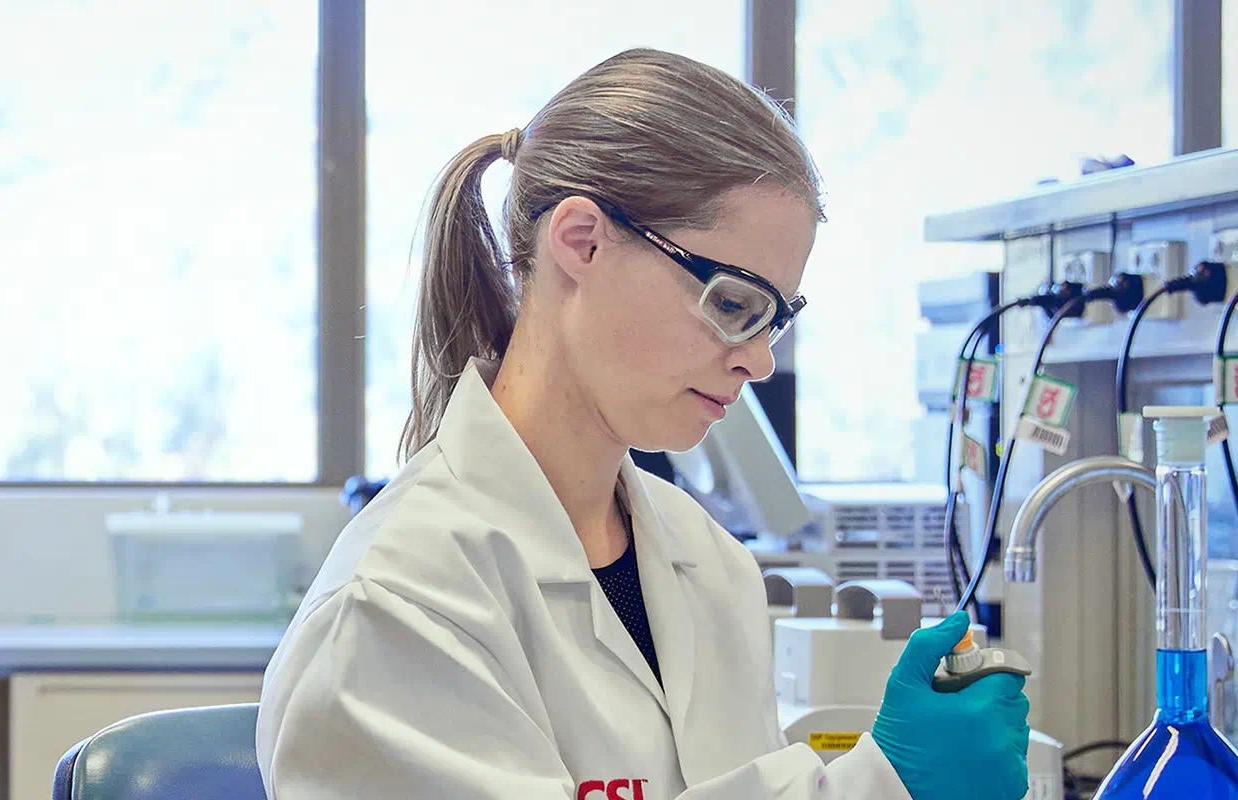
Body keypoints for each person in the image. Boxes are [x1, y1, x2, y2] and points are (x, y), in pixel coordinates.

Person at [258, 49, 1030, 800]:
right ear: (582, 242)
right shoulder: (397, 607)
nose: (759, 363)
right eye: (733, 304)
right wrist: (880, 785)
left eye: (775, 321)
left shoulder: (709, 565)